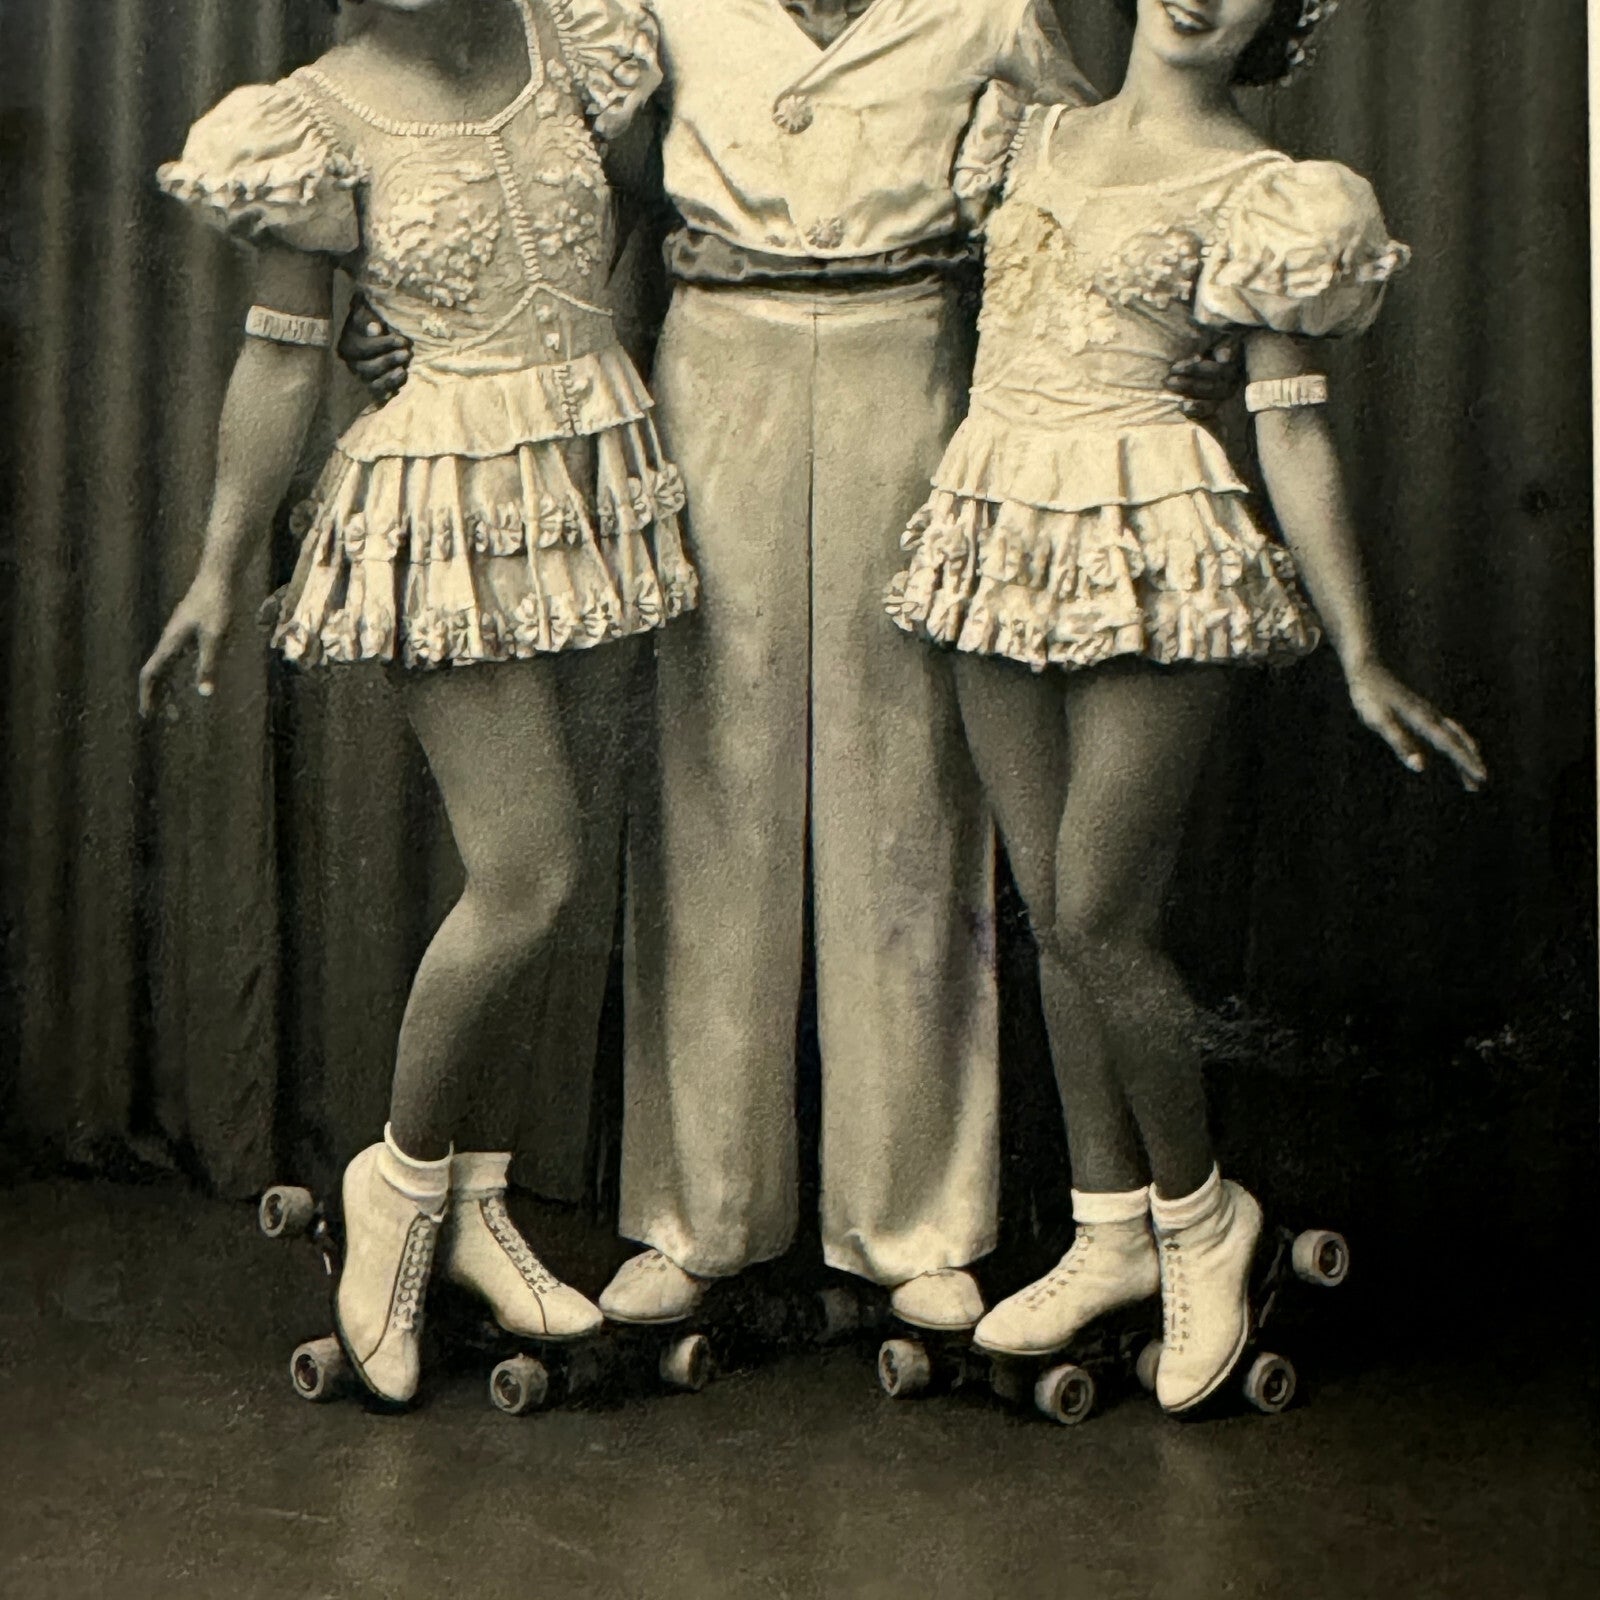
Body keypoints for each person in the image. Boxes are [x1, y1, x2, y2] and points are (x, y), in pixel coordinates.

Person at [342, 0, 1241, 1340]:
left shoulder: (994, 11)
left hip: (916, 369)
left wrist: (1190, 339)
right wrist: (424, 326)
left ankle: (916, 1221)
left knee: (914, 794)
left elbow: (1085, 193)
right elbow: (572, 190)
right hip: (717, 369)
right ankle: (698, 1218)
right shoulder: (660, 9)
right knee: (711, 784)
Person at [886, 0, 1487, 1413]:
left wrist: (1360, 649)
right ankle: (1108, 1231)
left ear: (1283, 18)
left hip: (1153, 534)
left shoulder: (1271, 196)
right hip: (994, 517)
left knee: (1102, 912)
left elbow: (1292, 426)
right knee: (1051, 910)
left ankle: (1202, 1218)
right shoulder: (1025, 131)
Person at [138, 0, 697, 1407]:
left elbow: (646, 213)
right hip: (441, 504)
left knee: (552, 889)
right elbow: (281, 350)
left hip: (590, 476)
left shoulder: (577, 41)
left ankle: (473, 1203)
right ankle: (395, 1195)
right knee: (530, 873)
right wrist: (221, 566)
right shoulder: (312, 122)